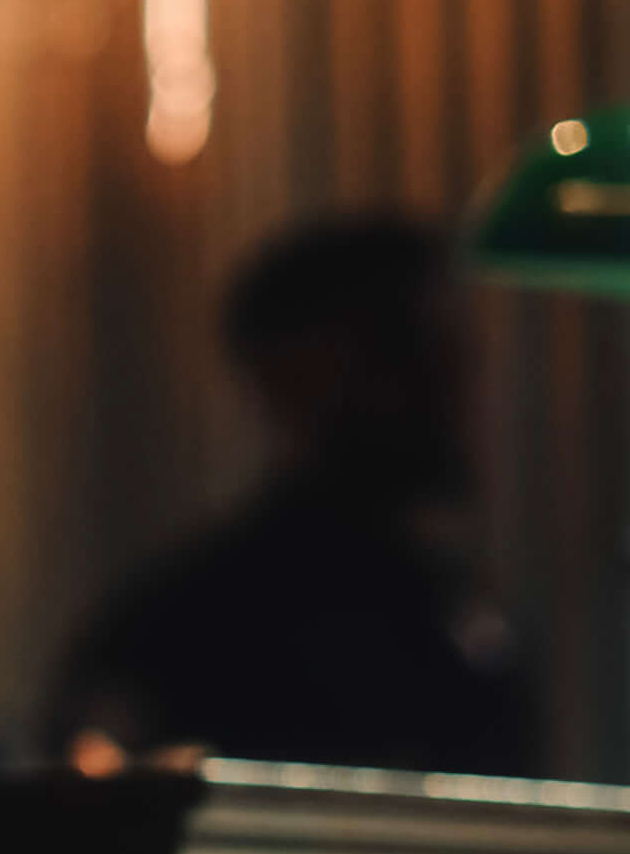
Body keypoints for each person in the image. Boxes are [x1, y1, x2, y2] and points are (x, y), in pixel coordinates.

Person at [44, 213, 534, 777]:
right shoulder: (186, 627)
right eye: (400, 355)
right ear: (284, 379)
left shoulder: (471, 618)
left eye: (456, 356)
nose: (447, 392)